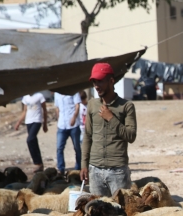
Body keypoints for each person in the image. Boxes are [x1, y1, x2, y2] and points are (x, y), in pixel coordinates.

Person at [80, 63, 137, 197]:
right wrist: (84, 165)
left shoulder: (127, 106)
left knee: (120, 213)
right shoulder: (92, 105)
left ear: (111, 81)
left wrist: (111, 118)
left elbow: (131, 136)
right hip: (95, 170)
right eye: (94, 81)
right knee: (97, 212)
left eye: (100, 81)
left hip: (117, 172)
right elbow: (87, 136)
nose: (96, 85)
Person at [14, 92, 48, 172]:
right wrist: (18, 122)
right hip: (28, 121)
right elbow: (25, 111)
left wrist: (45, 123)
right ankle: (40, 164)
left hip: (37, 120)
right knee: (33, 142)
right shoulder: (25, 97)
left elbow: (45, 110)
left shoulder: (39, 95)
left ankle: (37, 162)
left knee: (30, 140)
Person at [54, 92, 82, 175]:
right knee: (59, 148)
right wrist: (58, 119)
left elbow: (77, 106)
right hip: (62, 125)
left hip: (73, 125)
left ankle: (78, 167)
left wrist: (74, 117)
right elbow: (57, 108)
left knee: (77, 148)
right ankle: (61, 168)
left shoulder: (74, 92)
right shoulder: (57, 94)